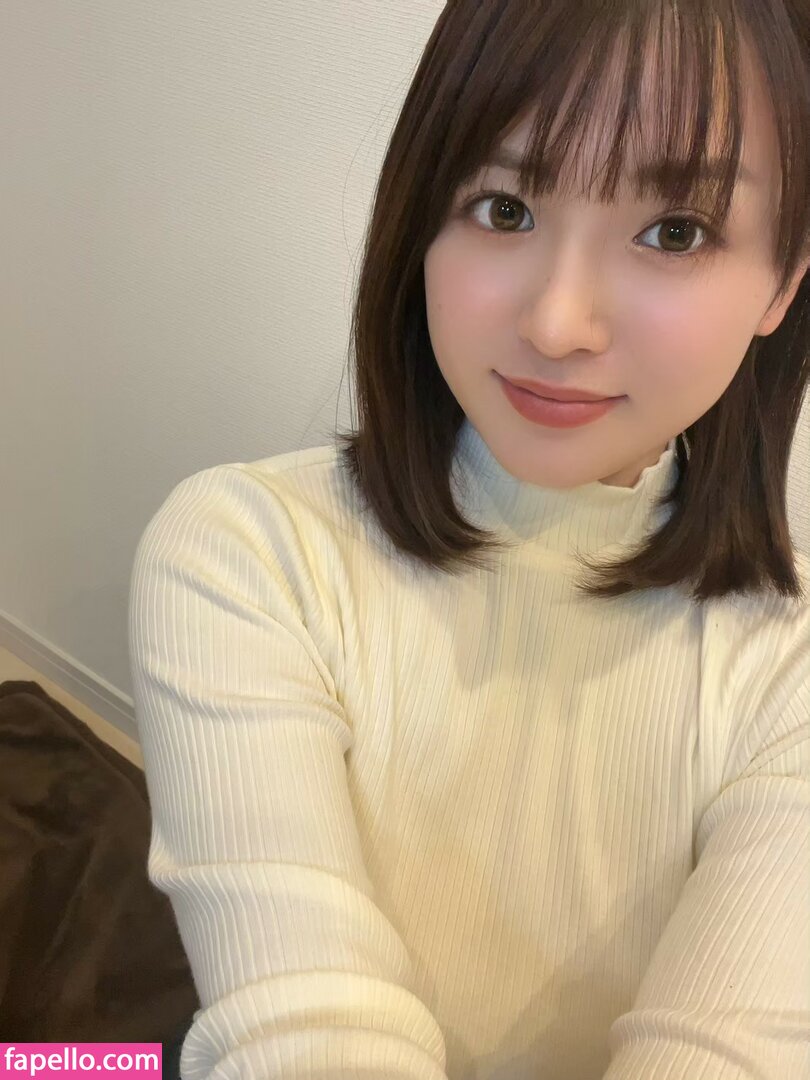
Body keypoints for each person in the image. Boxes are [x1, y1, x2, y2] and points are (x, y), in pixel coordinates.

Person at [128, 2, 810, 1078]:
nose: (557, 324)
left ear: (786, 278)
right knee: (52, 1063)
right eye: (504, 207)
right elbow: (306, 1032)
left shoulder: (790, 658)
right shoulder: (248, 553)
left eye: (675, 231)